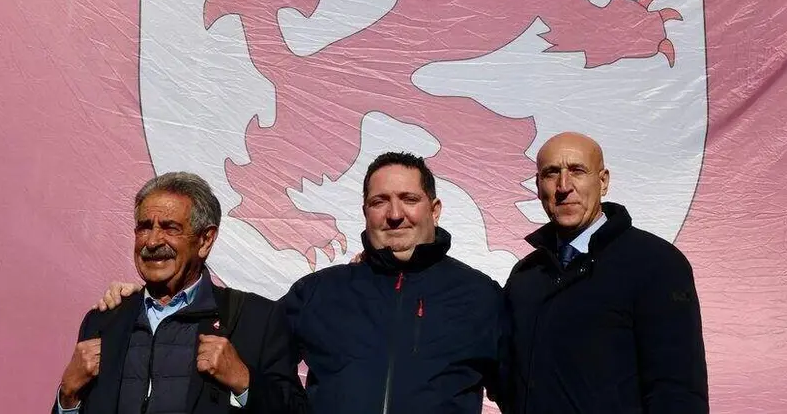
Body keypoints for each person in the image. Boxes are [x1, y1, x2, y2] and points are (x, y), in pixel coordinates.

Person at [98, 153, 504, 414]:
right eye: (379, 202)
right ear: (365, 211)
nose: (394, 214)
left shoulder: (481, 296)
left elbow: (522, 392)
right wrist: (149, 299)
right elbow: (238, 342)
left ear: (435, 209)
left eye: (409, 199)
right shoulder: (319, 292)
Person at [54, 172, 306, 414]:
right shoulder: (103, 320)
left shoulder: (257, 320)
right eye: (144, 227)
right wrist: (67, 396)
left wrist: (244, 382)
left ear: (205, 240)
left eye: (170, 228)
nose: (152, 242)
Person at [501, 132, 708, 414]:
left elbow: (677, 390)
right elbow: (508, 379)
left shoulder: (656, 264)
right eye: (551, 173)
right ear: (538, 186)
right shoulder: (525, 276)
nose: (564, 186)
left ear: (603, 181)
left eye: (577, 171)